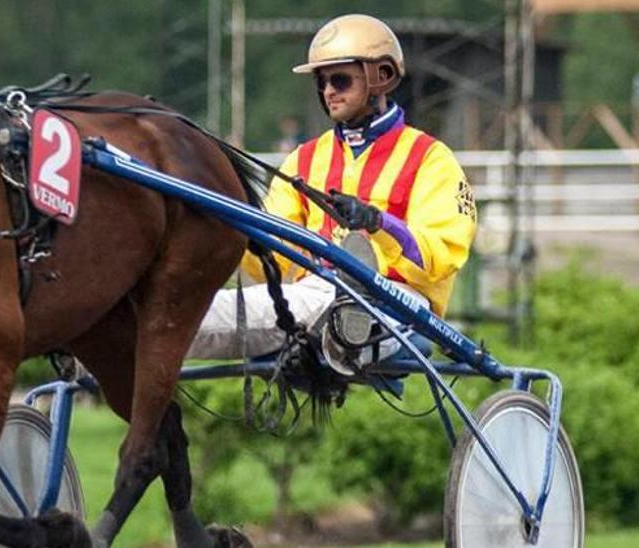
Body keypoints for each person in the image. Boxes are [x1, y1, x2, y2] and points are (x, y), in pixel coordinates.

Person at [188, 14, 478, 366]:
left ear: (381, 77)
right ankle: (339, 331)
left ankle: (347, 325)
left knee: (332, 303)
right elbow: (272, 259)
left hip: (402, 301)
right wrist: (224, 221)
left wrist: (378, 224)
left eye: (340, 80)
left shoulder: (431, 158)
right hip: (312, 296)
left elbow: (442, 258)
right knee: (182, 311)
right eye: (322, 83)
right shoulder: (304, 159)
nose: (328, 92)